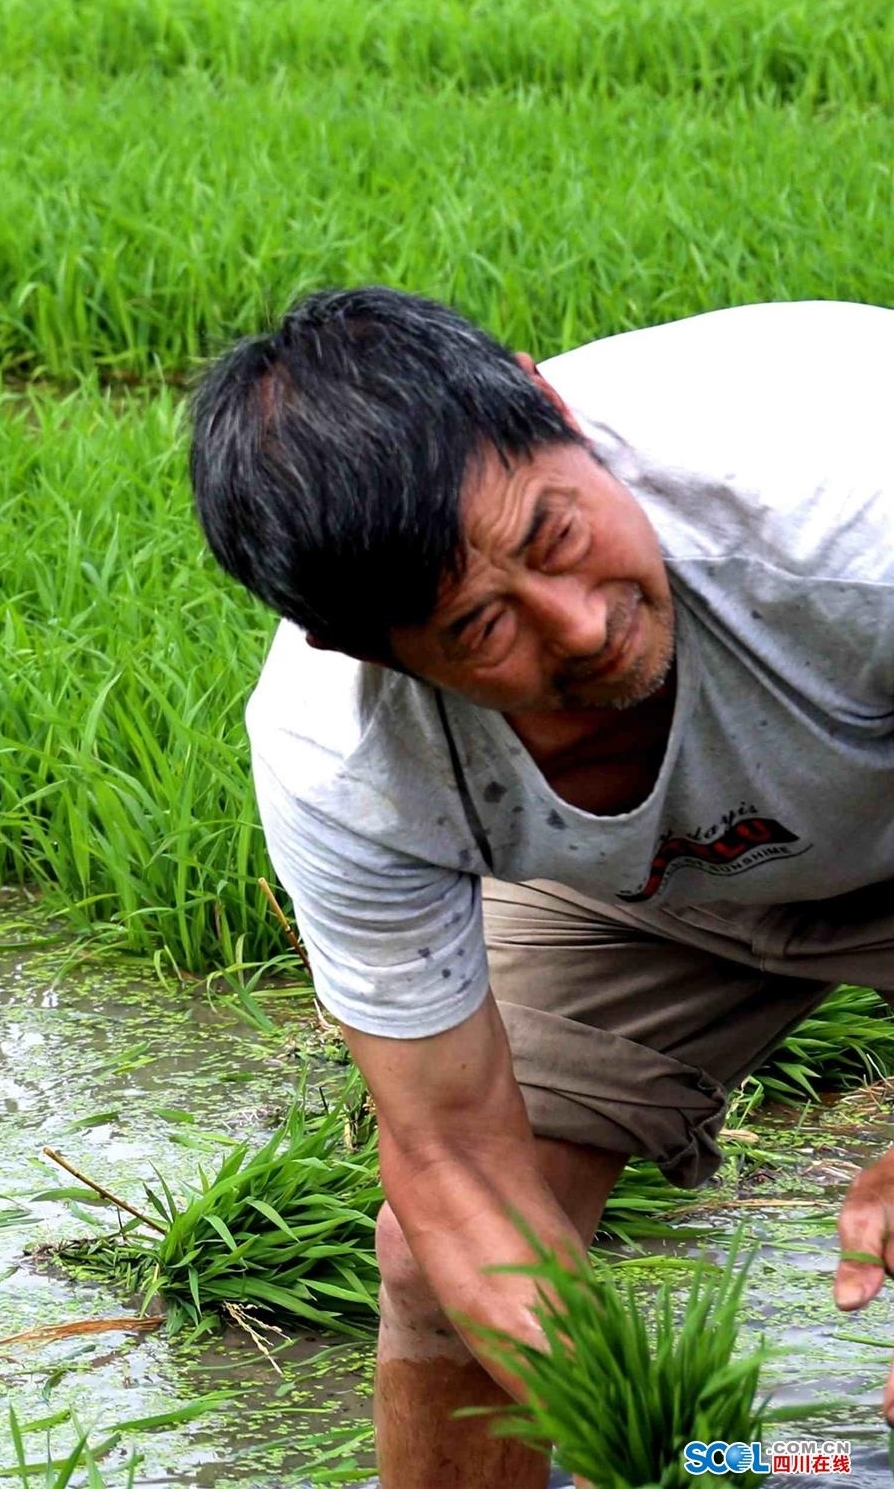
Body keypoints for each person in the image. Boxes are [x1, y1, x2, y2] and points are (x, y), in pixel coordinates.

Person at [194, 287, 894, 1487]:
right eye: (478, 625)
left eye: (556, 533)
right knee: (440, 1270)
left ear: (555, 405)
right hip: (638, 881)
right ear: (359, 647)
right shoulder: (342, 755)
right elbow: (455, 1148)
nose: (580, 627)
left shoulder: (848, 509)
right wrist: (622, 1413)